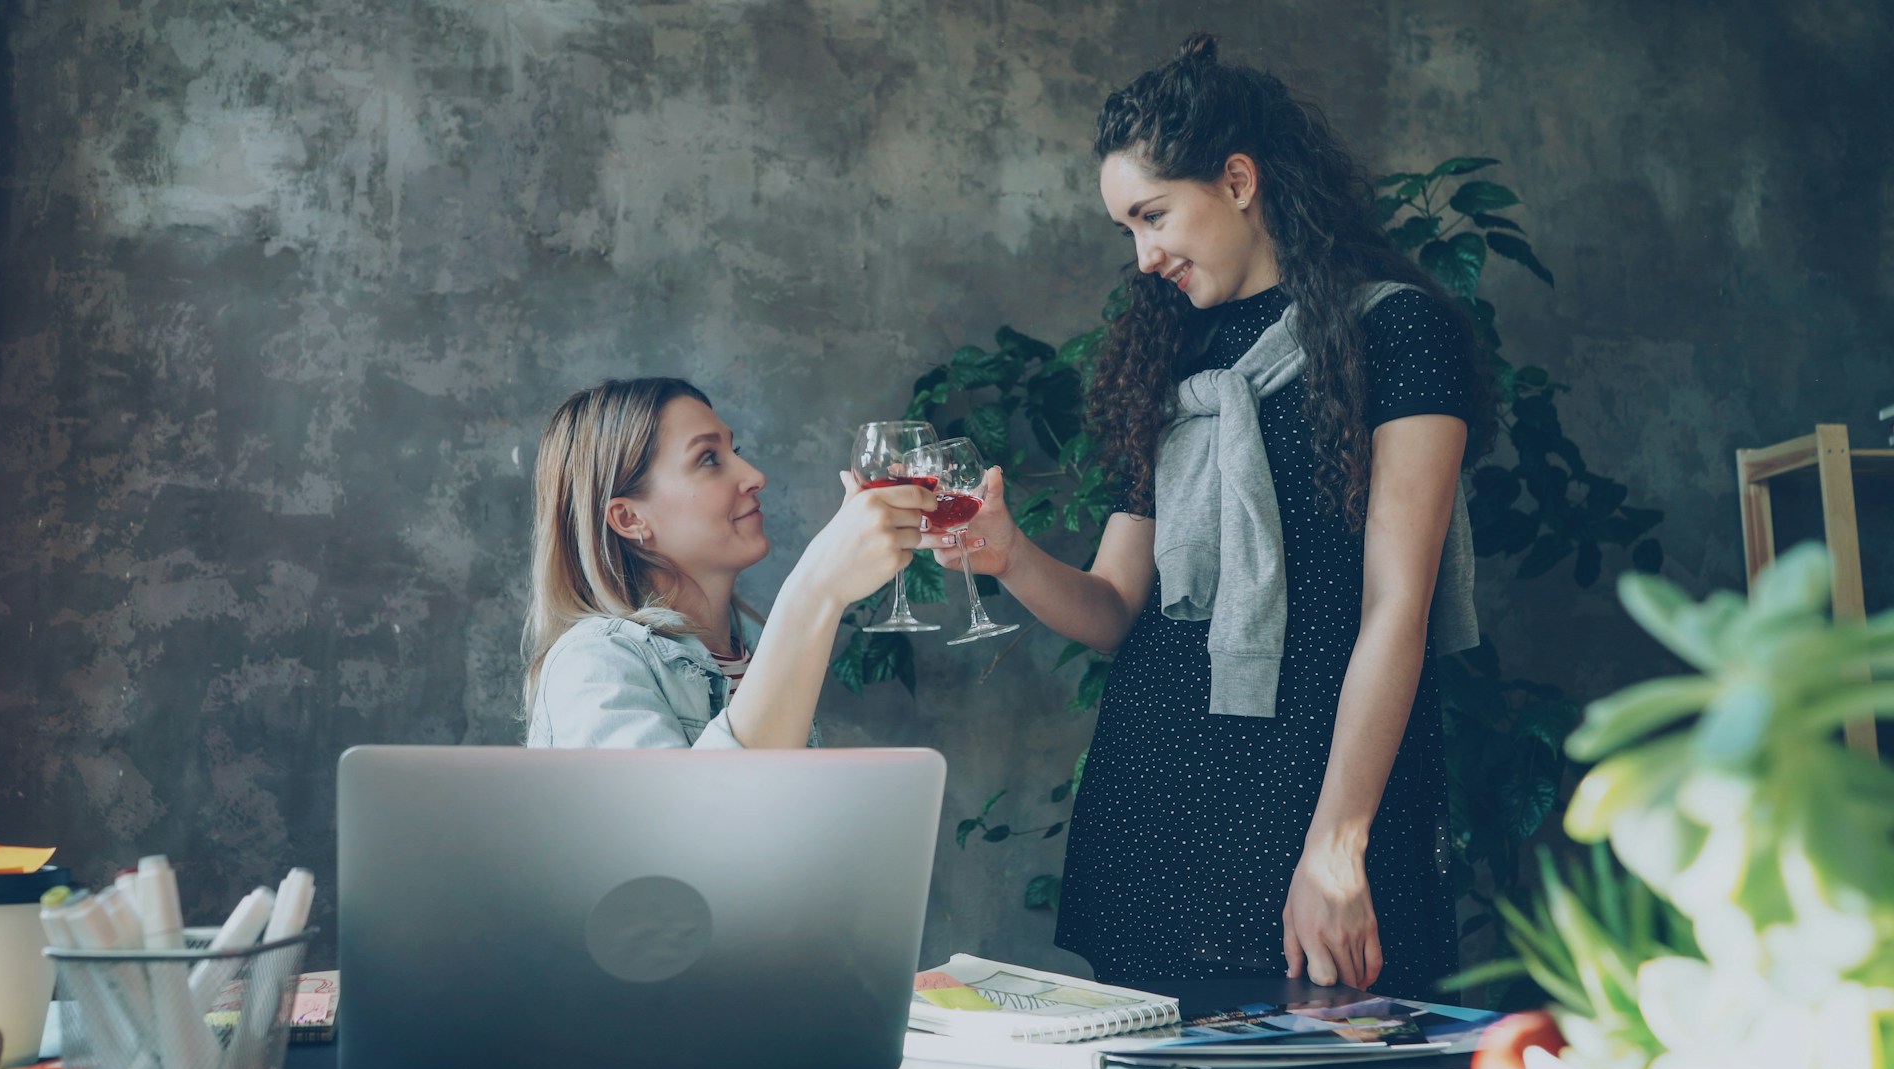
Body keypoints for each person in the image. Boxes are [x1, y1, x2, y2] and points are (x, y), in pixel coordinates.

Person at [934, 33, 1490, 997]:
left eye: (1153, 215)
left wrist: (1337, 847)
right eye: (1127, 231)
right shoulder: (1165, 359)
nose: (1144, 257)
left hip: (1320, 797)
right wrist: (1010, 555)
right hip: (1157, 805)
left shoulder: (1397, 331)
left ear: (1238, 180)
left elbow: (1398, 605)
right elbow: (1116, 606)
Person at [521, 377, 934, 750]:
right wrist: (816, 589)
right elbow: (689, 829)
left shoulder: (752, 647)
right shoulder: (593, 664)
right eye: (708, 459)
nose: (755, 475)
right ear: (630, 519)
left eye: (733, 451)